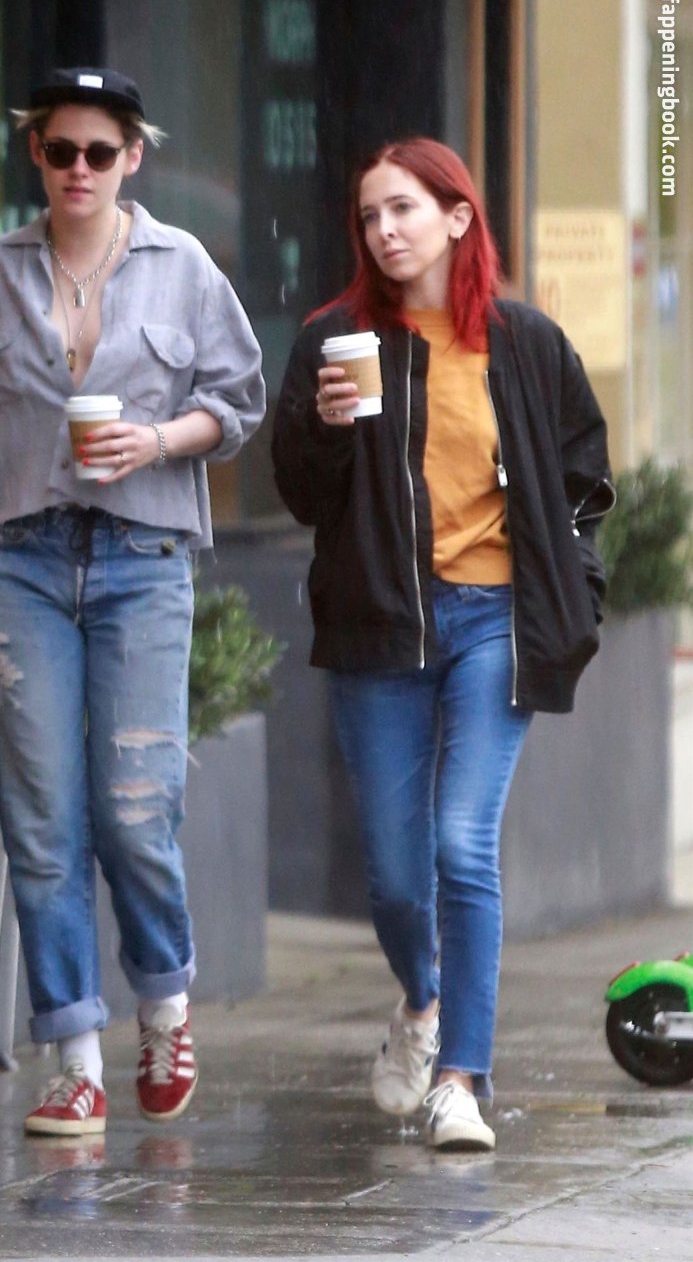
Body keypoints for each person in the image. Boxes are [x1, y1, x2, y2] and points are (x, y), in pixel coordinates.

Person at [0, 67, 265, 1137]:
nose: (79, 169)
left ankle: (163, 1003)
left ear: (133, 158)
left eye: (99, 152)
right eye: (59, 150)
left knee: (135, 810)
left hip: (141, 556)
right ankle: (72, 1057)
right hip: (18, 563)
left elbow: (236, 403)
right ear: (36, 153)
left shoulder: (183, 266)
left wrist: (154, 440)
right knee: (41, 821)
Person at [272, 137, 613, 1152]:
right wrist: (326, 426)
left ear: (458, 217)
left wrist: (577, 586)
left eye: (404, 209)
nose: (383, 230)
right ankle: (420, 999)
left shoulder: (523, 342)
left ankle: (460, 1079)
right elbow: (300, 494)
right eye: (369, 215)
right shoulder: (334, 338)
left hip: (493, 619)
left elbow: (583, 476)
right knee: (392, 877)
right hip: (378, 624)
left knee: (463, 845)